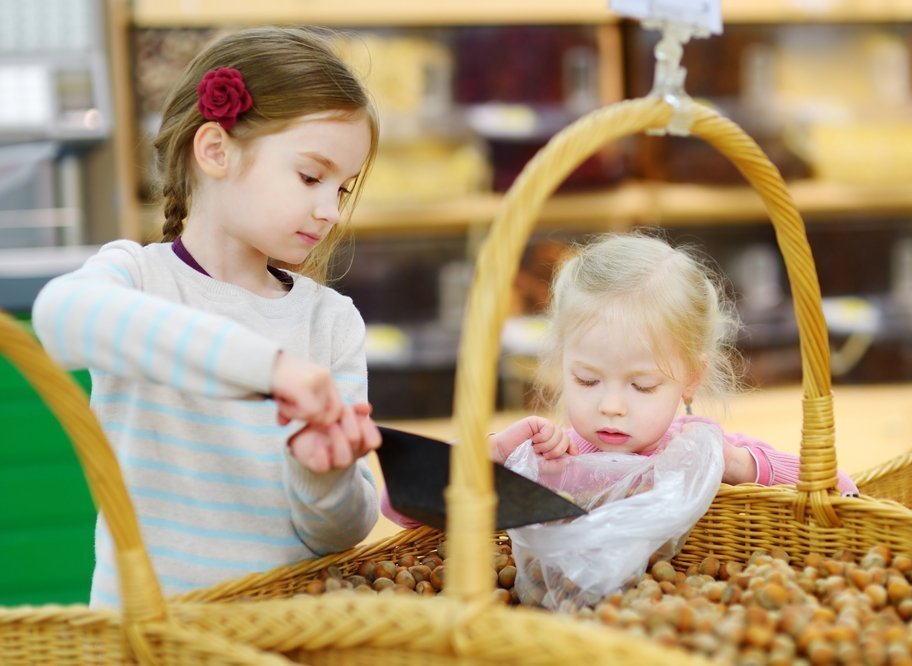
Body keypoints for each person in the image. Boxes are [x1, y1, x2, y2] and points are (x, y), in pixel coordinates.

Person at [32, 27, 383, 607]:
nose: (328, 210)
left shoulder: (332, 322)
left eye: (342, 190)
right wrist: (266, 369)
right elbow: (59, 315)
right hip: (148, 637)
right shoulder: (138, 279)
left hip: (280, 638)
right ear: (216, 150)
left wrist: (324, 476)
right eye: (310, 176)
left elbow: (342, 532)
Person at [382, 232, 858, 528]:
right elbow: (401, 511)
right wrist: (490, 457)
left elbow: (842, 490)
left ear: (690, 378)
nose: (611, 405)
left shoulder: (701, 450)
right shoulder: (552, 460)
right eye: (587, 380)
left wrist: (741, 465)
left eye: (642, 386)